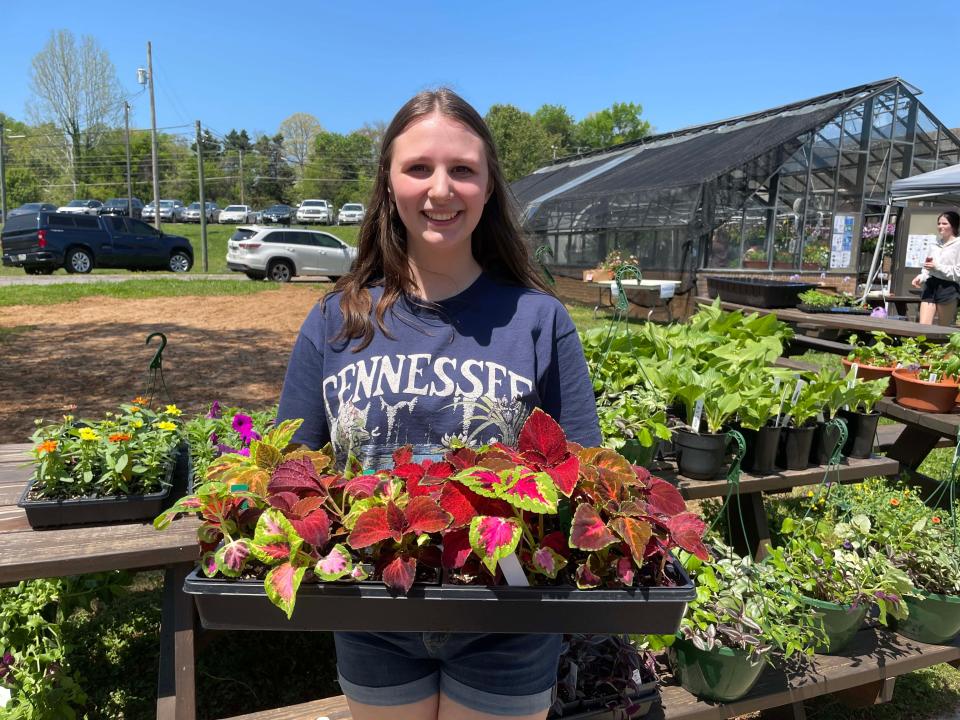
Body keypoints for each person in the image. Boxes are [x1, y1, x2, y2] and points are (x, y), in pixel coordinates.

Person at [276, 88, 600, 720]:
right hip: (373, 613)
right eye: (419, 168)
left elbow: (582, 471)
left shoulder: (538, 320)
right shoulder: (335, 320)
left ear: (489, 187)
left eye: (463, 170)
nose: (441, 189)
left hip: (508, 621)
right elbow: (293, 472)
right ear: (389, 183)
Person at [912, 210, 960, 325]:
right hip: (930, 285)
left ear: (953, 225)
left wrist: (938, 267)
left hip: (949, 287)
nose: (940, 226)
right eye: (939, 223)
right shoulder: (934, 244)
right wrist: (921, 277)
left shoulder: (958, 245)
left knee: (943, 329)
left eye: (944, 223)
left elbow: (958, 273)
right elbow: (928, 266)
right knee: (923, 327)